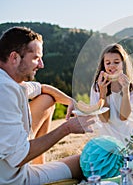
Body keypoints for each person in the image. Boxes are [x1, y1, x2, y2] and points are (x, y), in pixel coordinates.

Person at [0, 26, 95, 184]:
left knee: (47, 98)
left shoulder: (11, 82)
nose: (41, 65)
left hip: (12, 165)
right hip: (12, 179)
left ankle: (40, 164)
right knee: (85, 163)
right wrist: (68, 128)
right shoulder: (5, 90)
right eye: (36, 58)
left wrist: (71, 102)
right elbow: (18, 157)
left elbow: (43, 88)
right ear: (14, 57)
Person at [90, 43, 133, 144]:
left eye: (116, 62)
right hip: (108, 140)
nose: (112, 66)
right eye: (108, 63)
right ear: (103, 65)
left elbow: (124, 117)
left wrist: (125, 90)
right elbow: (104, 119)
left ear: (123, 63)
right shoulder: (97, 87)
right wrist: (103, 93)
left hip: (131, 138)